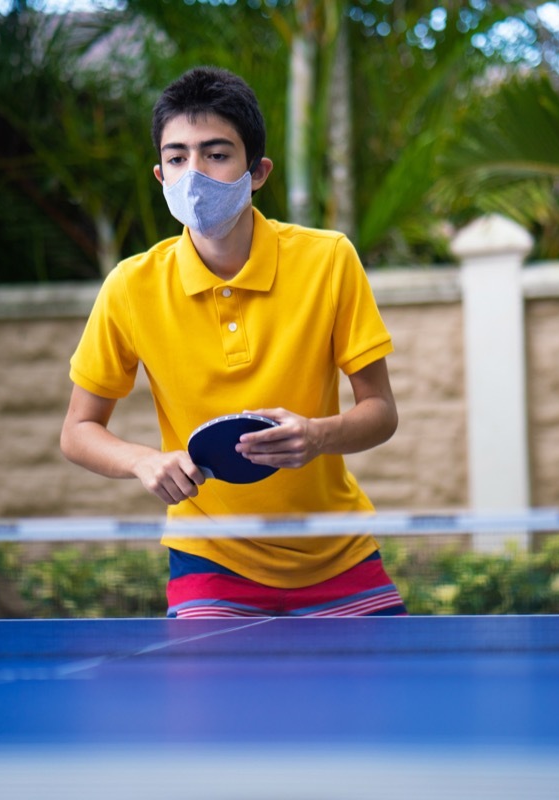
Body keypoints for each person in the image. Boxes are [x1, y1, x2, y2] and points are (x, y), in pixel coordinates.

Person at [60, 66, 406, 618]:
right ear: (160, 173)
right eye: (177, 158)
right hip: (211, 562)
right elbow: (78, 432)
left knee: (375, 704)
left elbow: (381, 413)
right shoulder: (131, 285)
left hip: (338, 551)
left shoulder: (329, 260)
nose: (193, 173)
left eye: (216, 154)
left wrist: (317, 436)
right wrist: (142, 462)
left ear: (258, 171)